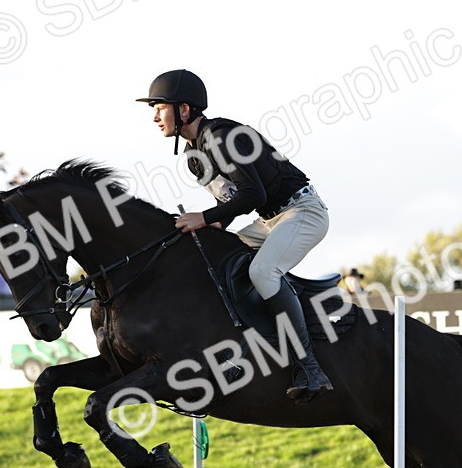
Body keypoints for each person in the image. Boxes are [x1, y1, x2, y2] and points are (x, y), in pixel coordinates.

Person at [140, 69, 332, 402]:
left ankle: (309, 366)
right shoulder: (193, 156)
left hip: (303, 211)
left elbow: (252, 194)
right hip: (271, 220)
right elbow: (230, 201)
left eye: (160, 107)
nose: (155, 117)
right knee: (220, 258)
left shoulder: (220, 137)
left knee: (262, 271)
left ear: (184, 110)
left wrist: (204, 217)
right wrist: (213, 226)